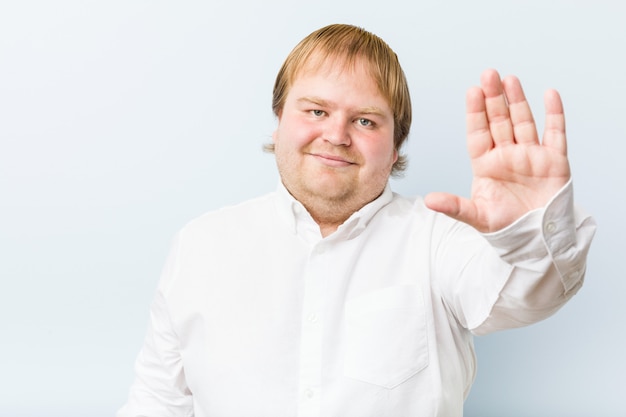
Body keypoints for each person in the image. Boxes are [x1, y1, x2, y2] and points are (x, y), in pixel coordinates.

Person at [117, 23, 596, 416]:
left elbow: (524, 295)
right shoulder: (201, 245)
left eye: (365, 120)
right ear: (280, 118)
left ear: (395, 147)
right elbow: (157, 402)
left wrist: (533, 228)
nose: (336, 135)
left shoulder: (440, 240)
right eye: (316, 110)